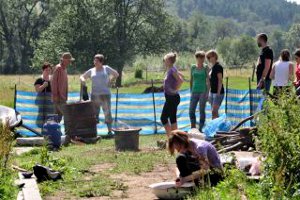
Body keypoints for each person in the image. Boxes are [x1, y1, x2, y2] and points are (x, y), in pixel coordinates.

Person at [80, 54, 119, 135]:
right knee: (94, 113)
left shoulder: (106, 68)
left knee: (107, 112)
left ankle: (109, 131)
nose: (95, 62)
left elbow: (116, 74)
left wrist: (111, 81)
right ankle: (94, 131)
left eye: (97, 61)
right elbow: (82, 76)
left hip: (105, 94)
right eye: (94, 60)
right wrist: (83, 80)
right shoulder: (92, 70)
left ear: (101, 62)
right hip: (95, 95)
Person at [160, 53, 184, 136]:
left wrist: (175, 90)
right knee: (166, 118)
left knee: (168, 118)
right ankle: (171, 138)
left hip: (172, 97)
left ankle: (174, 139)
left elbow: (180, 80)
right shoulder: (171, 69)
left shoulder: (172, 70)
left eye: (165, 60)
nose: (164, 61)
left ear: (170, 61)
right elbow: (182, 75)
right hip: (170, 98)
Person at [189, 51, 210, 132]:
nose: (200, 59)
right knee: (191, 110)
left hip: (203, 91)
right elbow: (191, 80)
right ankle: (193, 128)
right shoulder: (193, 67)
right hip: (194, 91)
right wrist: (191, 90)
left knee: (201, 110)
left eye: (202, 57)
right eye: (198, 57)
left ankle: (200, 128)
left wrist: (208, 92)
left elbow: (208, 81)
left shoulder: (206, 67)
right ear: (196, 58)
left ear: (204, 58)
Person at [51, 52, 74, 122]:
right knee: (66, 115)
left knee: (58, 117)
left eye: (70, 61)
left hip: (63, 97)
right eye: (68, 60)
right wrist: (55, 95)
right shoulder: (58, 68)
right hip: (58, 97)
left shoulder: (65, 69)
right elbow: (53, 82)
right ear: (63, 60)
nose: (70, 62)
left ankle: (54, 132)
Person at [206, 50, 224, 119]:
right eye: (208, 57)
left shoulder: (218, 67)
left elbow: (220, 80)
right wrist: (208, 93)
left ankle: (218, 127)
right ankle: (216, 127)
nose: (209, 58)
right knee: (214, 112)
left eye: (210, 56)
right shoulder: (212, 68)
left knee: (214, 111)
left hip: (218, 93)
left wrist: (218, 93)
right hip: (212, 92)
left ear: (215, 56)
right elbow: (210, 82)